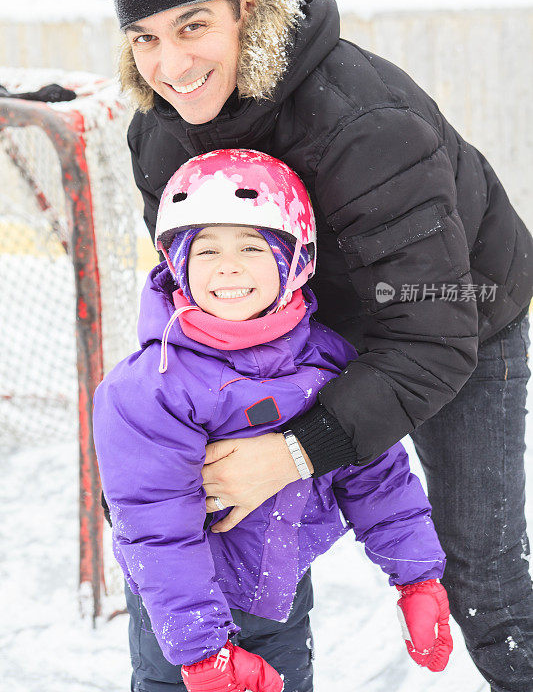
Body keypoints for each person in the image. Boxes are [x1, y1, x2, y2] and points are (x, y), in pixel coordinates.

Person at [102, 0, 533, 691]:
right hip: (302, 326)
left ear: (248, 7)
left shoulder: (365, 125)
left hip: (450, 309)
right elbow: (190, 303)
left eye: (192, 25)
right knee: (240, 525)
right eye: (146, 37)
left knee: (482, 581)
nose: (170, 63)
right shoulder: (160, 135)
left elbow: (433, 339)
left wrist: (299, 449)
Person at [93, 150, 453, 692]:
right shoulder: (151, 387)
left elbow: (375, 473)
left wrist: (418, 577)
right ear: (178, 266)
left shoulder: (326, 361)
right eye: (206, 250)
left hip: (282, 596)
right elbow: (154, 527)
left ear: (296, 263)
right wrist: (200, 652)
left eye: (252, 247)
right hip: (179, 615)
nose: (227, 266)